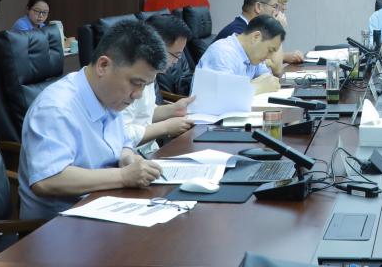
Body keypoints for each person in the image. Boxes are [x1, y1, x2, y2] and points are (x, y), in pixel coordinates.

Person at [18, 20, 166, 220]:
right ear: (103, 66)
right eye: (136, 83)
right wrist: (123, 176)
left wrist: (127, 157)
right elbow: (48, 180)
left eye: (145, 85)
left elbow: (123, 142)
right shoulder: (56, 107)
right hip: (58, 226)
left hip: (104, 208)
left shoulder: (109, 96)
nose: (138, 95)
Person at [121, 15, 196, 156]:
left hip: (150, 151)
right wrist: (165, 127)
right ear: (156, 47)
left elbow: (144, 113)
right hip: (132, 156)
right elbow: (122, 135)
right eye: (176, 55)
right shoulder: (125, 77)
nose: (177, 61)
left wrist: (173, 109)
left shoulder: (151, 71)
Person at [197, 15, 285, 95]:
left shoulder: (253, 55)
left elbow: (267, 79)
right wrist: (258, 87)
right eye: (270, 50)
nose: (269, 57)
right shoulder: (223, 53)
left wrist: (260, 84)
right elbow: (223, 96)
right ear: (256, 37)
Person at [214, 0, 286, 75]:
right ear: (258, 7)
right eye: (274, 7)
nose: (277, 12)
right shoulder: (239, 32)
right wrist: (276, 28)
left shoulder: (248, 33)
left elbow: (268, 75)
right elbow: (276, 69)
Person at [261, 0, 304, 64]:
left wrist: (284, 57)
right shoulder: (247, 28)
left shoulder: (265, 24)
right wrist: (278, 29)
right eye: (283, 3)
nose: (285, 8)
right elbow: (264, 63)